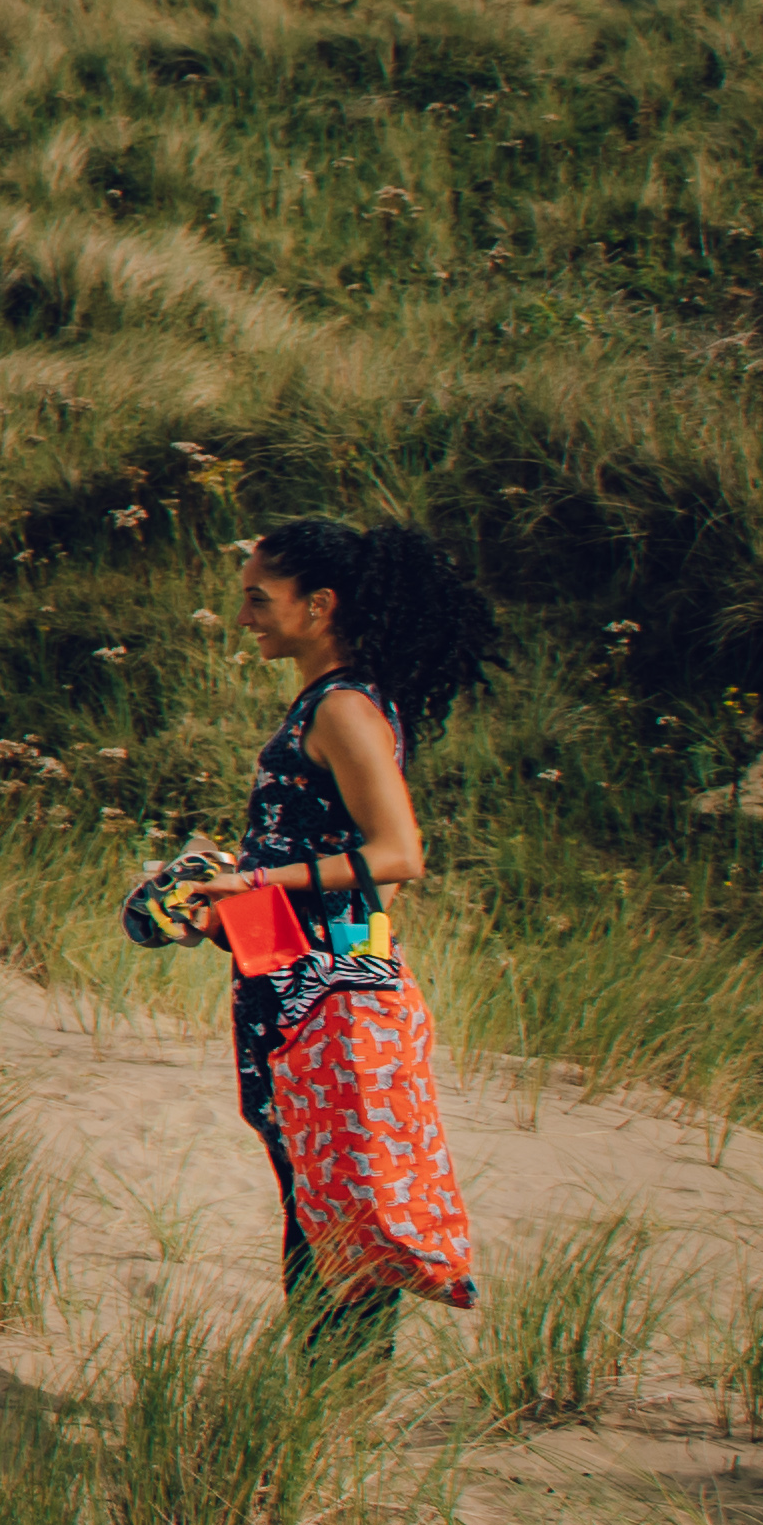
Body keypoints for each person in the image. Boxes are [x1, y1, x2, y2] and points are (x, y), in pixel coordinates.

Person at [173, 515, 492, 1332]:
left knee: (333, 1203)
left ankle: (330, 1408)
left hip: (326, 992)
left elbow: (398, 854)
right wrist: (222, 906)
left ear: (319, 605)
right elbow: (320, 855)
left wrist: (256, 876)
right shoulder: (326, 702)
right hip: (288, 970)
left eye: (258, 600)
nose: (244, 618)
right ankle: (324, 1405)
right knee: (316, 1190)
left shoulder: (344, 707)